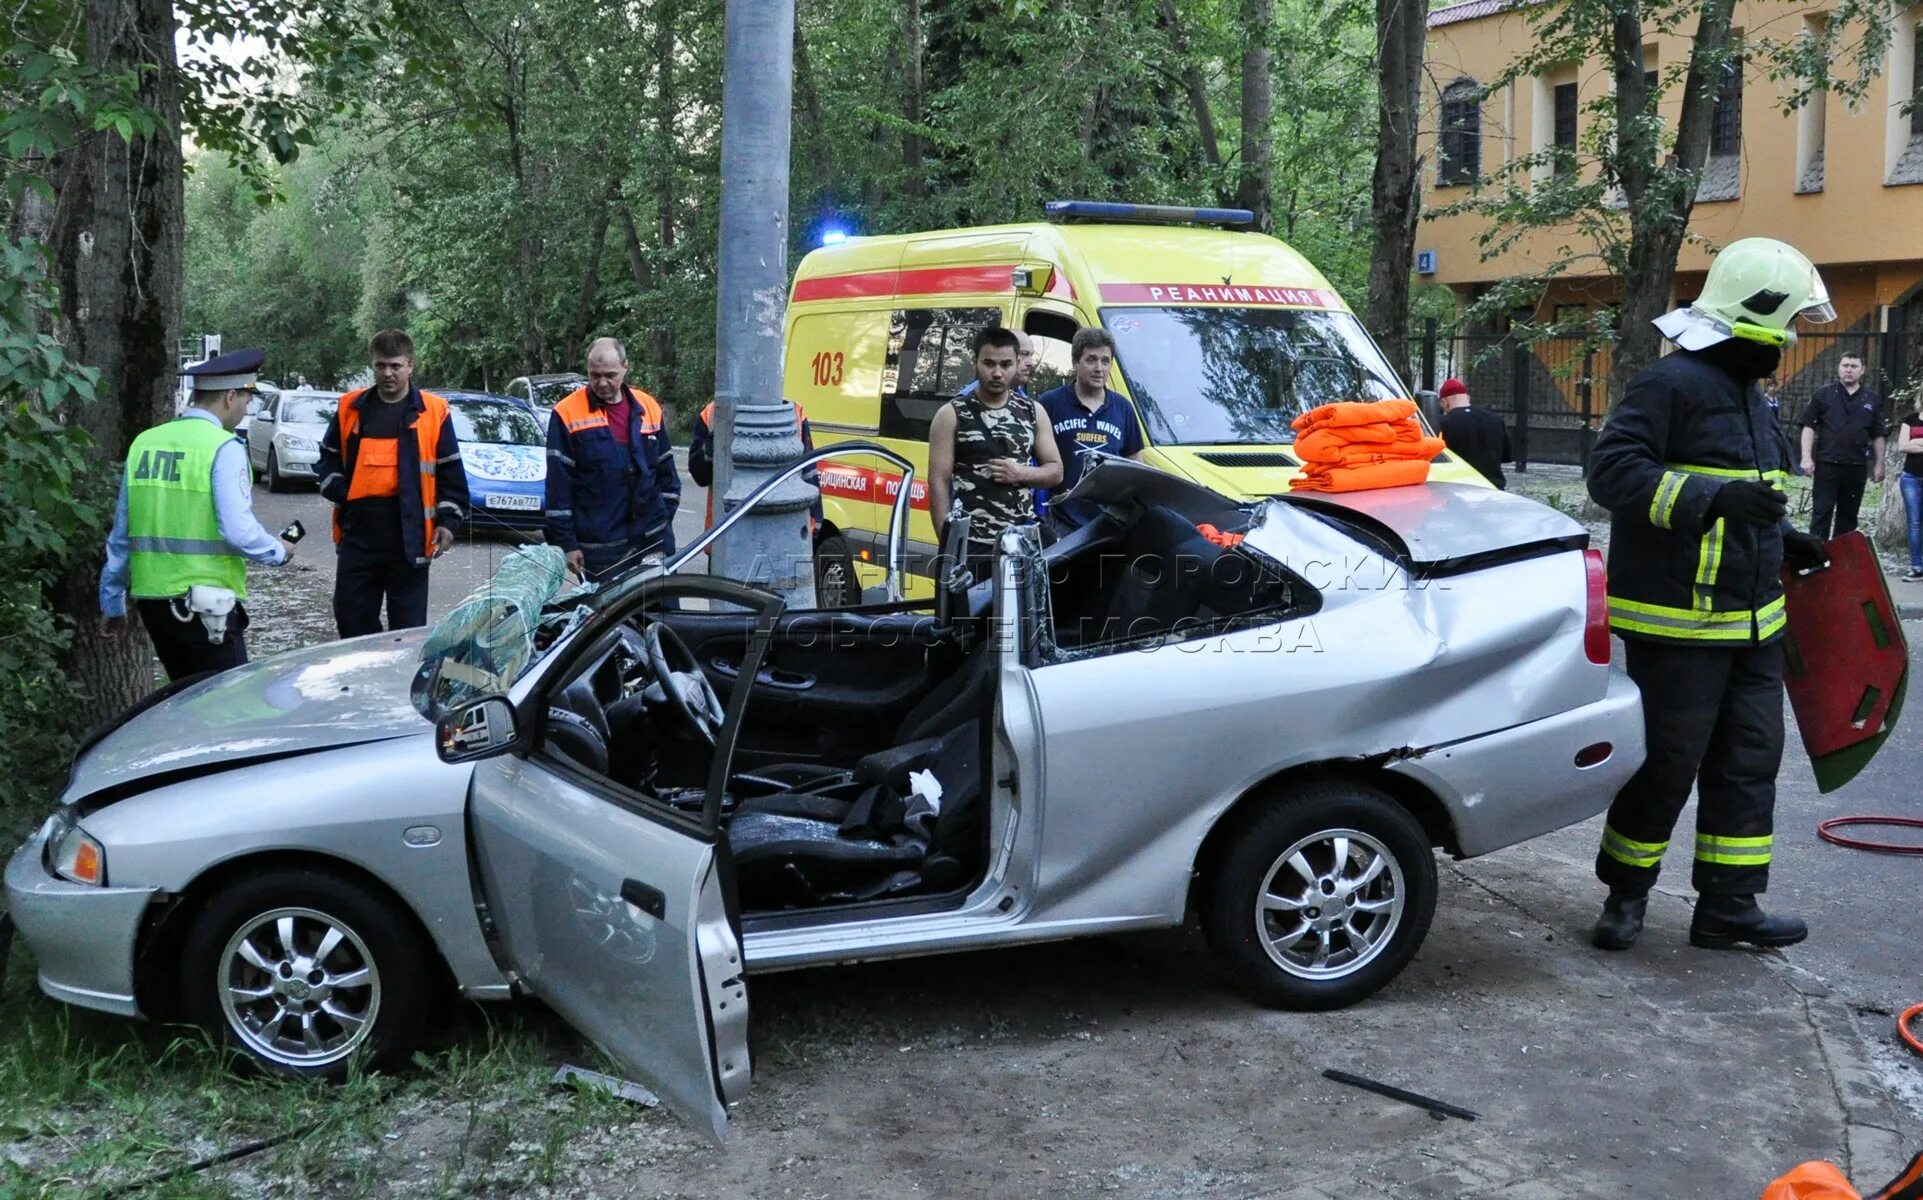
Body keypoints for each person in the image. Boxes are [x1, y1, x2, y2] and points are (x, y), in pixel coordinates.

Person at [1585, 237, 1835, 954]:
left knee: (1747, 768)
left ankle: (1728, 908)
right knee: (1664, 767)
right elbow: (1612, 474)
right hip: (1678, 629)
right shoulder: (1670, 386)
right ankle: (1624, 897)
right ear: (1749, 324)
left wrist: (1780, 538)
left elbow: (1750, 500)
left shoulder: (1752, 400)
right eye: (1781, 331)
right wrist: (1711, 498)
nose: (1786, 346)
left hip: (1753, 630)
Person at [100, 348, 296, 681]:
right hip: (206, 608)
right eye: (246, 402)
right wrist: (280, 551)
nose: (246, 410)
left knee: (184, 699)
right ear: (230, 396)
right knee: (225, 705)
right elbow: (238, 531)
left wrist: (112, 601)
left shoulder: (145, 443)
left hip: (155, 606)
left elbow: (122, 535)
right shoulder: (223, 447)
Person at [317, 330, 468, 637]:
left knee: (407, 631)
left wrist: (449, 522)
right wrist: (340, 490)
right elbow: (328, 459)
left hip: (409, 537)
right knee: (351, 619)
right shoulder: (351, 408)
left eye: (395, 366)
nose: (387, 373)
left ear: (410, 365)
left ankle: (399, 683)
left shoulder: (433, 412)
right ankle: (360, 679)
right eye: (380, 365)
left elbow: (451, 473)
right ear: (372, 365)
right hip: (358, 535)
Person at [927, 327, 1063, 578]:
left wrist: (1021, 473)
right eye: (988, 363)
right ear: (975, 362)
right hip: (973, 544)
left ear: (1017, 363)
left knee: (1027, 617)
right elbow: (938, 482)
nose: (997, 373)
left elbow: (1055, 471)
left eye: (1005, 364)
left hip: (1022, 542)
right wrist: (949, 548)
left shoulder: (1033, 411)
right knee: (970, 617)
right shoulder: (951, 414)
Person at [545, 336, 680, 581]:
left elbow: (667, 472)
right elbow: (558, 487)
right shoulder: (566, 413)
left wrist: (662, 517)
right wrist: (567, 544)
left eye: (610, 374)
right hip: (601, 548)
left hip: (652, 540)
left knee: (662, 616)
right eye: (595, 375)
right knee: (609, 617)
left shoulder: (648, 406)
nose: (603, 383)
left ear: (625, 367)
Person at [1036, 328, 1143, 531]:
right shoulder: (1050, 403)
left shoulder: (1123, 407)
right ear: (1075, 363)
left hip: (1109, 522)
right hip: (1060, 521)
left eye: (1105, 361)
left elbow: (1135, 462)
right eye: (1091, 360)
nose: (1099, 368)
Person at [687, 401, 819, 528]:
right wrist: (710, 449)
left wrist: (814, 526)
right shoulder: (712, 413)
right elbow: (700, 476)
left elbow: (809, 476)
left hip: (780, 530)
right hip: (725, 532)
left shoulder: (795, 413)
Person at [1799, 352, 1888, 539]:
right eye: (1845, 365)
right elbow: (1808, 426)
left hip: (1856, 467)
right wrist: (1806, 457)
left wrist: (1880, 464)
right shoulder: (1824, 395)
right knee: (1821, 514)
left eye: (1853, 366)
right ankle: (1817, 560)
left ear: (1862, 370)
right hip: (1827, 465)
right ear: (1839, 368)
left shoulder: (1872, 399)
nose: (1848, 370)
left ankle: (1841, 563)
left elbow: (1879, 434)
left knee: (1848, 519)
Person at [1434, 377, 1511, 489]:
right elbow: (1506, 456)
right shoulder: (1495, 419)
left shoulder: (1442, 423)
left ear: (1443, 402)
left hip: (1458, 487)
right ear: (1467, 398)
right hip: (1493, 488)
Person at [1898, 404, 1923, 581]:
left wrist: (1915, 442)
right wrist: (1909, 444)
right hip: (1911, 478)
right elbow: (1902, 446)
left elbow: (1909, 444)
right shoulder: (1910, 419)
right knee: (1914, 523)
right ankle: (1917, 567)